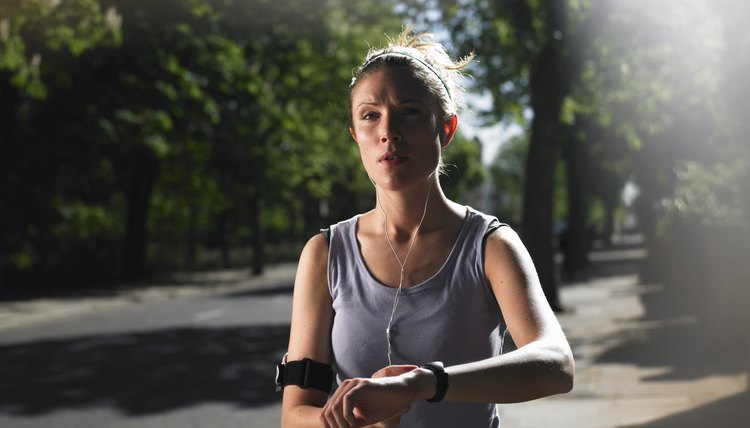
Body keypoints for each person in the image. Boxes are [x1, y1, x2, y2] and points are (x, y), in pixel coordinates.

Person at [278, 28, 574, 428]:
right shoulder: (325, 253)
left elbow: (556, 364)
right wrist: (355, 420)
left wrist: (423, 384)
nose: (388, 132)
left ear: (446, 129)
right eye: (370, 116)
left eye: (410, 112)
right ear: (355, 135)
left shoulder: (490, 245)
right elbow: (294, 415)